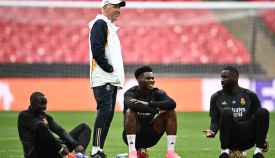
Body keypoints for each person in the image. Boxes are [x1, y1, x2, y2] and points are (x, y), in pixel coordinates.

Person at [203, 66, 270, 158]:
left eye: (225, 77)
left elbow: (260, 120)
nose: (222, 80)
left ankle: (258, 152)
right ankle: (224, 152)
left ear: (235, 78)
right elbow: (215, 120)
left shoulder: (250, 96)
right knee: (226, 112)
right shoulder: (216, 97)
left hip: (248, 137)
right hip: (230, 139)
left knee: (263, 112)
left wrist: (264, 139)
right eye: (221, 77)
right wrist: (212, 131)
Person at [88, 0, 126, 157]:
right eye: (116, 6)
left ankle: (99, 149)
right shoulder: (100, 24)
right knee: (104, 114)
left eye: (120, 7)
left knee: (108, 116)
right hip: (104, 79)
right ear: (105, 7)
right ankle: (96, 149)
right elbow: (97, 49)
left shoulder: (108, 26)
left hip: (110, 79)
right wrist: (109, 69)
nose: (119, 10)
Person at [122, 66, 181, 158]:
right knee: (130, 112)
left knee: (171, 112)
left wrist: (149, 103)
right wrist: (156, 109)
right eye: (148, 78)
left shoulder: (158, 92)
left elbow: (172, 103)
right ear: (138, 79)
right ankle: (132, 153)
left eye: (152, 78)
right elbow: (132, 105)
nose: (152, 80)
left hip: (152, 135)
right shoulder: (130, 93)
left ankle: (170, 153)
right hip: (134, 134)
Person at [17, 91, 91, 158]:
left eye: (44, 107)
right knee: (42, 127)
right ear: (33, 104)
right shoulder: (24, 116)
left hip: (53, 149)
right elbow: (42, 130)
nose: (43, 110)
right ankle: (66, 155)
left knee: (84, 127)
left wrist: (75, 144)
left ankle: (79, 155)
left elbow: (60, 131)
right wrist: (61, 148)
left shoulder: (44, 116)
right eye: (41, 107)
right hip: (36, 153)